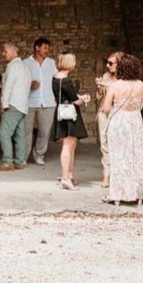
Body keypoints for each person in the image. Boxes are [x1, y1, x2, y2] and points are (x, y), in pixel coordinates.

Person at [100, 53, 143, 205]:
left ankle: (117, 194)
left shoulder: (114, 86)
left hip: (118, 122)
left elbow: (106, 108)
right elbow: (141, 105)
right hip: (135, 121)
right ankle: (138, 194)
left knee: (118, 158)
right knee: (136, 157)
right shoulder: (142, 85)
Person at [51, 52, 90, 191]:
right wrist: (84, 98)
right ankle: (65, 178)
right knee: (68, 146)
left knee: (71, 145)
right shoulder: (66, 81)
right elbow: (76, 101)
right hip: (70, 115)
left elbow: (65, 96)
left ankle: (69, 175)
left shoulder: (55, 78)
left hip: (61, 112)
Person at [0, 42, 31, 171]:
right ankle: (20, 161)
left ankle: (7, 162)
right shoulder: (24, 67)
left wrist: (4, 105)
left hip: (13, 104)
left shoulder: (13, 67)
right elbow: (23, 86)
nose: (3, 54)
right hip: (22, 105)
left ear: (13, 51)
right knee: (19, 134)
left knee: (3, 133)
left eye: (5, 51)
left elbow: (9, 87)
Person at [23, 37, 57, 166]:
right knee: (26, 131)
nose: (47, 50)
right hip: (29, 102)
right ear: (37, 48)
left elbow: (57, 79)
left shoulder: (52, 63)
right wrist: (29, 84)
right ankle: (23, 157)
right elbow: (20, 81)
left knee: (44, 131)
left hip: (48, 102)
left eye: (48, 48)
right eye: (45, 48)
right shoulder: (26, 63)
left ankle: (39, 155)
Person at [94, 52, 122, 188]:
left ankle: (119, 174)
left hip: (118, 113)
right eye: (107, 62)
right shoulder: (106, 76)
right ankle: (106, 175)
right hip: (104, 113)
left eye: (111, 63)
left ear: (120, 64)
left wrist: (109, 88)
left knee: (119, 144)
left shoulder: (125, 80)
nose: (107, 65)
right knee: (105, 144)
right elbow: (99, 97)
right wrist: (100, 89)